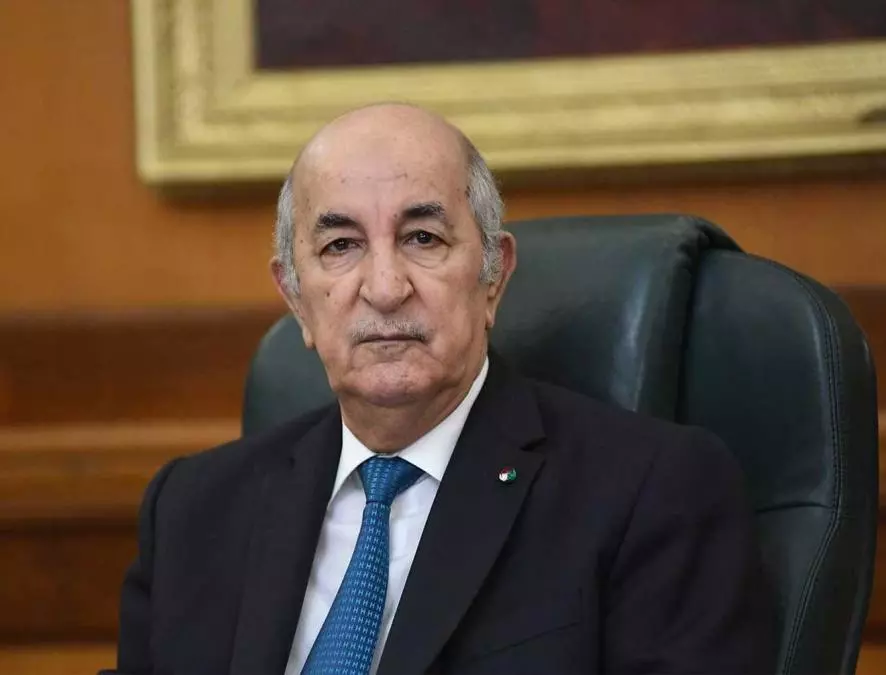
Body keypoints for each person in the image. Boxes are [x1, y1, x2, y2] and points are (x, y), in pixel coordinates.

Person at [106, 103, 774, 674]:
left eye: (422, 237)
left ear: (493, 277)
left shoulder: (651, 491)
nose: (385, 287)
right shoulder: (193, 510)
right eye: (340, 246)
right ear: (296, 298)